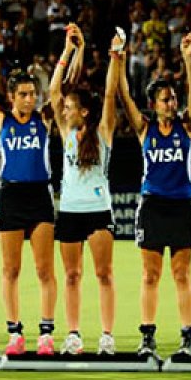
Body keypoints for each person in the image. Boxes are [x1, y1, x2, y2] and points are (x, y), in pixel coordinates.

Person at [0, 17, 58, 356]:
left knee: (45, 269)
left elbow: (62, 87)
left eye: (33, 93)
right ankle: (15, 333)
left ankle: (46, 334)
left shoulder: (44, 119)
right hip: (11, 194)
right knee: (10, 268)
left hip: (40, 194)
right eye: (23, 94)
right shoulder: (1, 119)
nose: (30, 99)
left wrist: (68, 52)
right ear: (11, 97)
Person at [115, 32, 191, 357]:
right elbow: (124, 96)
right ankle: (147, 338)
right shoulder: (145, 129)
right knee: (150, 274)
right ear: (154, 104)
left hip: (181, 204)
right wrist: (119, 61)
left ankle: (187, 338)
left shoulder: (188, 125)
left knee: (181, 274)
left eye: (173, 98)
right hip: (152, 205)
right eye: (166, 100)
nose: (172, 103)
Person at [49, 24, 119, 355]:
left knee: (104, 275)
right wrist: (68, 50)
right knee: (72, 276)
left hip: (97, 210)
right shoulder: (66, 134)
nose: (64, 110)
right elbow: (53, 93)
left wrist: (116, 57)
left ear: (84, 112)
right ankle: (73, 335)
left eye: (70, 107)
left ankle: (106, 336)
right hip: (70, 212)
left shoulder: (103, 132)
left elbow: (109, 94)